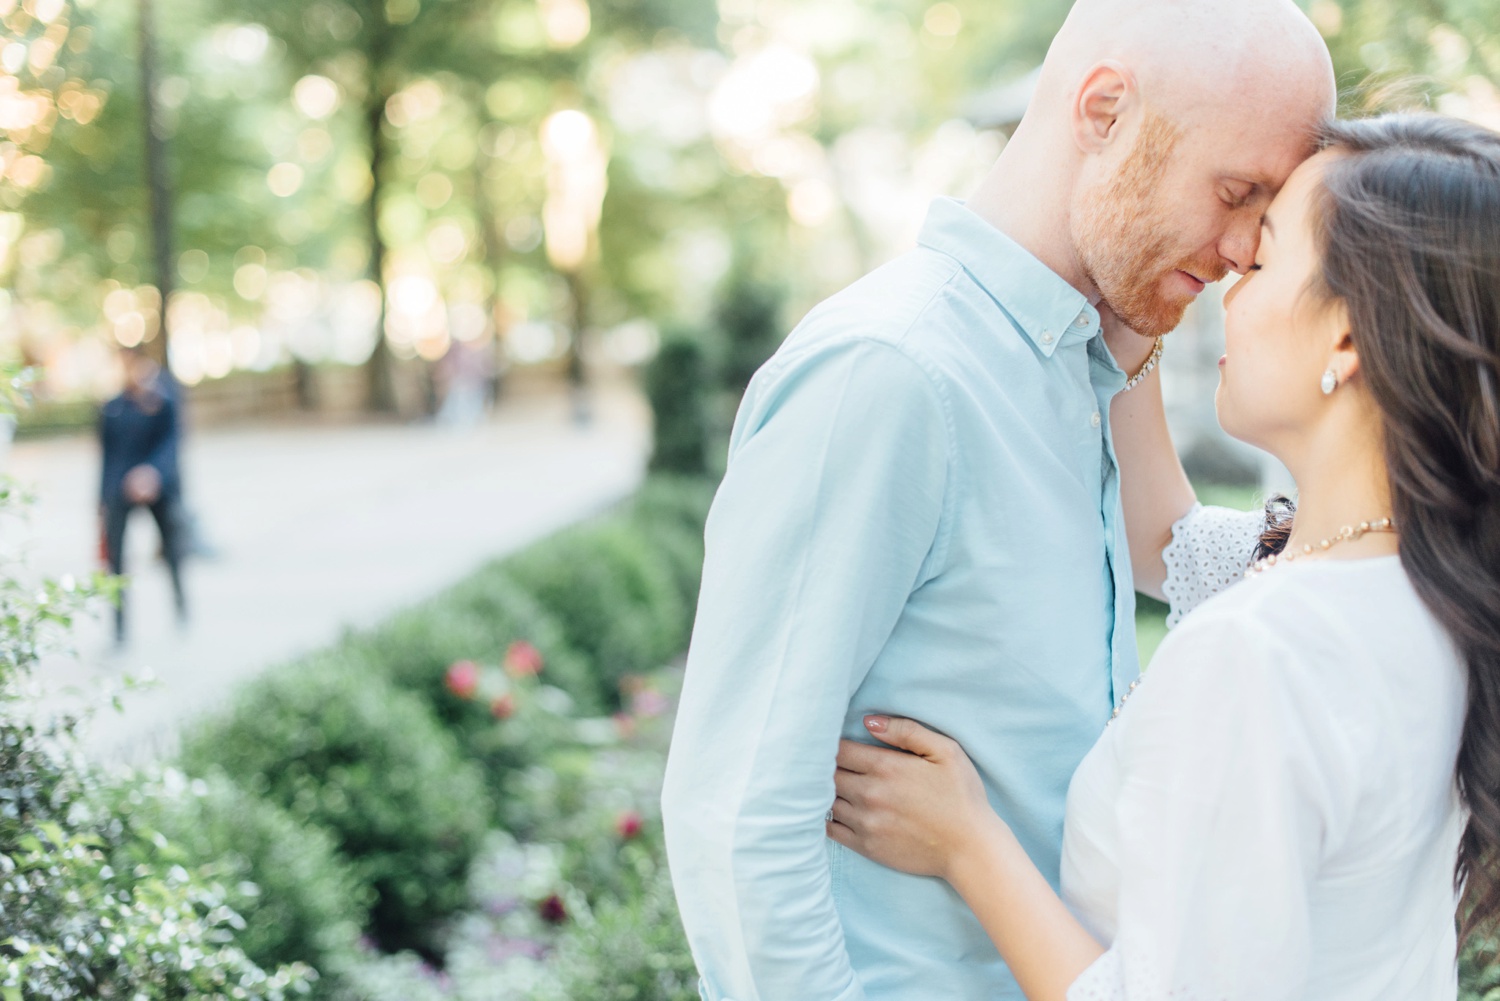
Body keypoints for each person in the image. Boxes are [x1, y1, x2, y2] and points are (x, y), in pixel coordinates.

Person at [660, 0, 1336, 998]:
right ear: (1104, 110)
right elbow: (735, 816)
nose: (1244, 249)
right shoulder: (891, 376)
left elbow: (1177, 550)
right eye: (1235, 191)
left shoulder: (1087, 370)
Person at [829, 114, 1500, 1000]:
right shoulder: (1424, 588)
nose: (1228, 285)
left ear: (1347, 338)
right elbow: (1166, 538)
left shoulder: (1262, 655)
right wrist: (1140, 300)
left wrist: (968, 844)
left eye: (1258, 264)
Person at [99, 345, 187, 643]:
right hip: (119, 489)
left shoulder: (164, 401)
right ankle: (119, 627)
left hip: (157, 486)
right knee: (116, 559)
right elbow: (107, 456)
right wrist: (102, 500)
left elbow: (173, 443)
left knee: (171, 549)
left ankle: (181, 607)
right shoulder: (112, 407)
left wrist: (152, 474)